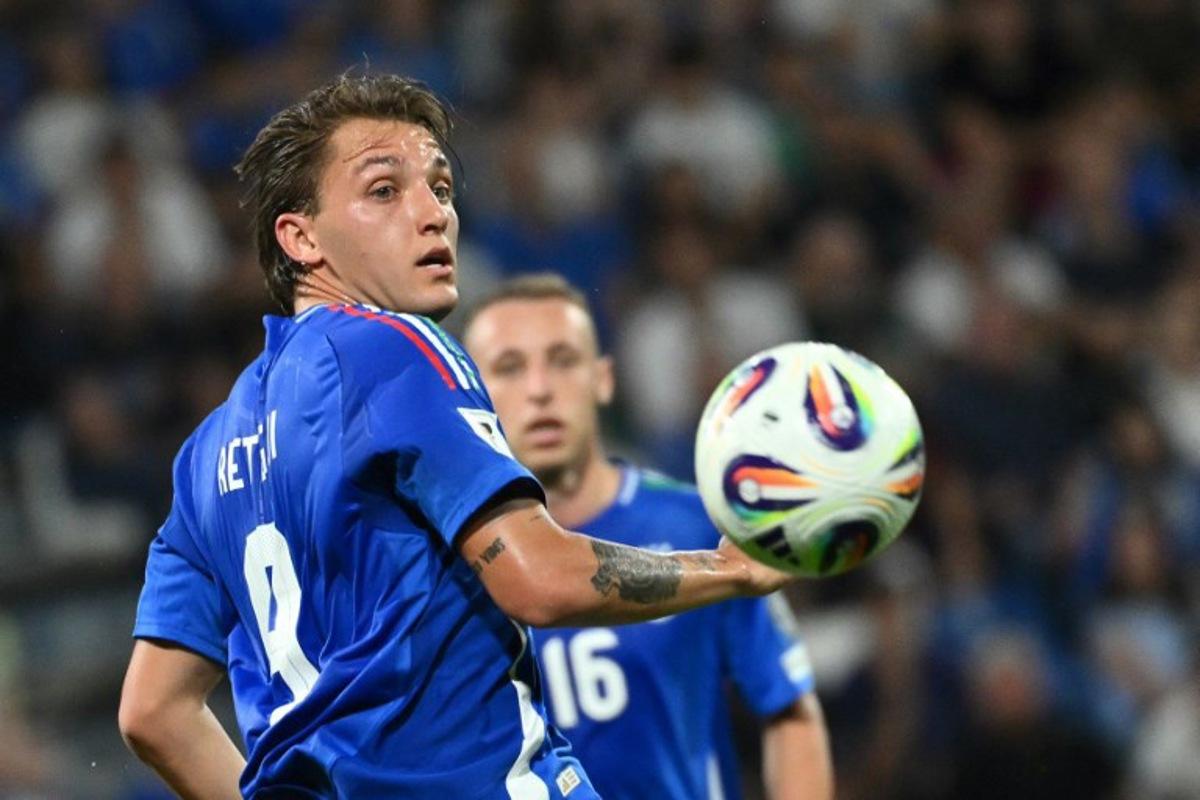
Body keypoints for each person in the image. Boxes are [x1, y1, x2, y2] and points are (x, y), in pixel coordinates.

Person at [117, 73, 794, 799]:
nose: (432, 214)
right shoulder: (393, 348)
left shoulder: (205, 455)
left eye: (439, 188)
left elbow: (154, 713)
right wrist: (731, 570)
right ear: (300, 237)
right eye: (384, 190)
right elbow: (538, 577)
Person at [463, 274, 835, 800]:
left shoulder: (700, 525)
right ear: (474, 395)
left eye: (563, 360)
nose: (540, 388)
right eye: (509, 367)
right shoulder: (453, 561)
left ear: (603, 379)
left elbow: (787, 705)